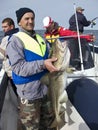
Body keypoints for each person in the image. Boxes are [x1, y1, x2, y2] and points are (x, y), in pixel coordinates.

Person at [6, 8, 59, 130]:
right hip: (29, 94)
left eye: (32, 18)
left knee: (48, 125)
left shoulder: (40, 39)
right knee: (31, 127)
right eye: (26, 18)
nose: (30, 21)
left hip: (45, 91)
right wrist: (43, 64)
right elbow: (19, 68)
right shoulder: (14, 41)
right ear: (19, 22)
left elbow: (49, 57)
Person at [0, 18, 19, 130]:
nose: (4, 29)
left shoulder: (7, 38)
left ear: (11, 26)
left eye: (5, 27)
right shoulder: (18, 35)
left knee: (18, 95)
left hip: (12, 72)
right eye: (3, 27)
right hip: (17, 71)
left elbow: (3, 55)